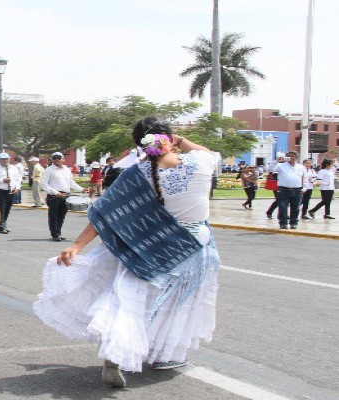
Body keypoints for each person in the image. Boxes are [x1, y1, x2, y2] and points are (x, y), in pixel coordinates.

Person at [34, 117, 222, 387]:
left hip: (151, 244)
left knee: (132, 299)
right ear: (169, 139)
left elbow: (107, 213)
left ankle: (118, 350)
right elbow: (206, 152)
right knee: (174, 303)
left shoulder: (137, 174)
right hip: (194, 244)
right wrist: (178, 140)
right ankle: (162, 354)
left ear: (138, 145)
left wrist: (77, 245)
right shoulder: (200, 164)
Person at [40, 152, 85, 241]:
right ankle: (54, 234)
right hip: (54, 196)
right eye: (54, 158)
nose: (56, 159)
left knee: (61, 215)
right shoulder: (48, 170)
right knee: (53, 216)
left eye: (59, 158)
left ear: (63, 159)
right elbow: (44, 184)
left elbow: (71, 183)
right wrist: (55, 192)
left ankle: (58, 232)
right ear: (52, 160)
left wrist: (81, 189)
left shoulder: (67, 170)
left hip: (65, 196)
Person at [0, 153, 21, 234]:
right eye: (3, 159)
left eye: (6, 159)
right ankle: (1, 227)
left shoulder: (13, 168)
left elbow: (18, 179)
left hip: (10, 190)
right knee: (1, 209)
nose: (5, 161)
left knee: (7, 209)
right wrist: (2, 180)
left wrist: (17, 187)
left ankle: (4, 224)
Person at [275, 151, 306, 229]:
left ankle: (293, 222)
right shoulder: (281, 166)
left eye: (293, 156)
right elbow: (271, 169)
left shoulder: (301, 167)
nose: (291, 158)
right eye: (289, 156)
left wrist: (304, 187)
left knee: (296, 207)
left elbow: (304, 177)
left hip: (297, 189)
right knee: (283, 207)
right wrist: (277, 161)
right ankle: (283, 223)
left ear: (296, 158)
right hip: (284, 189)